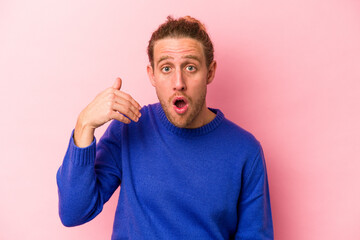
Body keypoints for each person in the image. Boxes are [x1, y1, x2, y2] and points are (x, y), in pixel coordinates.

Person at [56, 15, 274, 239]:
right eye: (166, 68)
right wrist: (84, 124)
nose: (178, 82)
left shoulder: (245, 150)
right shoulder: (129, 128)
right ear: (152, 75)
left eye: (190, 67)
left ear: (210, 72)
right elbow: (74, 212)